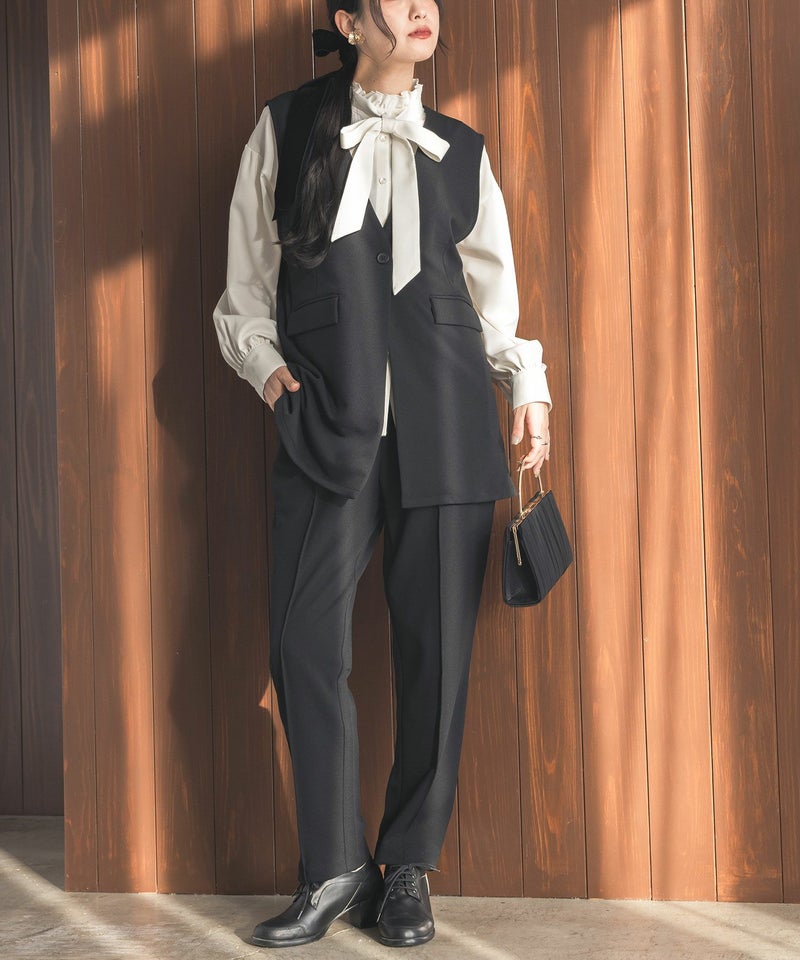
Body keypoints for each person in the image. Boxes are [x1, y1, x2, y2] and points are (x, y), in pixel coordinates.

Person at [212, 0, 552, 948]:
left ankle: (407, 868)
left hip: (449, 423)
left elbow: (491, 294)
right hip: (327, 421)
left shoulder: (461, 149)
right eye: (398, 0)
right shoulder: (285, 127)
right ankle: (332, 866)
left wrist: (528, 385)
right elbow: (245, 282)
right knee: (303, 644)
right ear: (350, 22)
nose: (420, 11)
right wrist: (269, 376)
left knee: (437, 656)